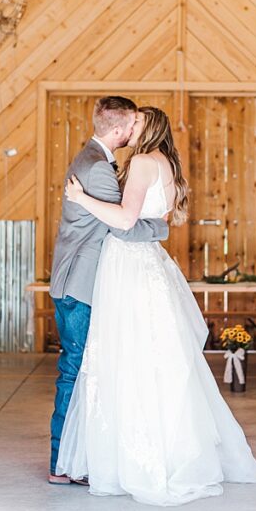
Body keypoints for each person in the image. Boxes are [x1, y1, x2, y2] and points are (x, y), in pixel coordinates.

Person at [55, 106, 256, 506]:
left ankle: (132, 459)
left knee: (126, 357)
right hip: (150, 262)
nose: (128, 127)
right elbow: (156, 219)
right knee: (157, 360)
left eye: (135, 122)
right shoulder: (167, 162)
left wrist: (80, 198)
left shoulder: (139, 163)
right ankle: (174, 450)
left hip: (129, 266)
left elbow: (123, 219)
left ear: (147, 126)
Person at [47, 96, 169, 485]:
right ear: (119, 129)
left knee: (80, 369)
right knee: (77, 371)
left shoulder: (93, 159)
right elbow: (123, 225)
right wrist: (161, 228)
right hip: (79, 286)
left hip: (75, 282)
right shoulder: (99, 169)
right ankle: (62, 464)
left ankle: (73, 460)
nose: (136, 130)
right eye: (133, 123)